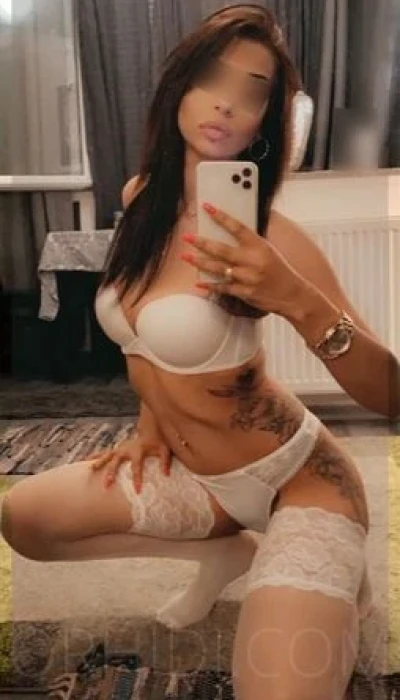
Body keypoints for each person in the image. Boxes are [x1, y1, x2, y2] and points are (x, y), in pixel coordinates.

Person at [1, 5, 399, 699]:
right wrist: (149, 428)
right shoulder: (141, 199)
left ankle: (325, 562)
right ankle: (228, 552)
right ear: (177, 86)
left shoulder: (272, 235)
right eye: (212, 78)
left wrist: (297, 299)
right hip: (199, 480)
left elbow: (389, 394)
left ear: (265, 122)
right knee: (24, 518)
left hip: (300, 480)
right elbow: (142, 339)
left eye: (253, 92)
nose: (227, 103)